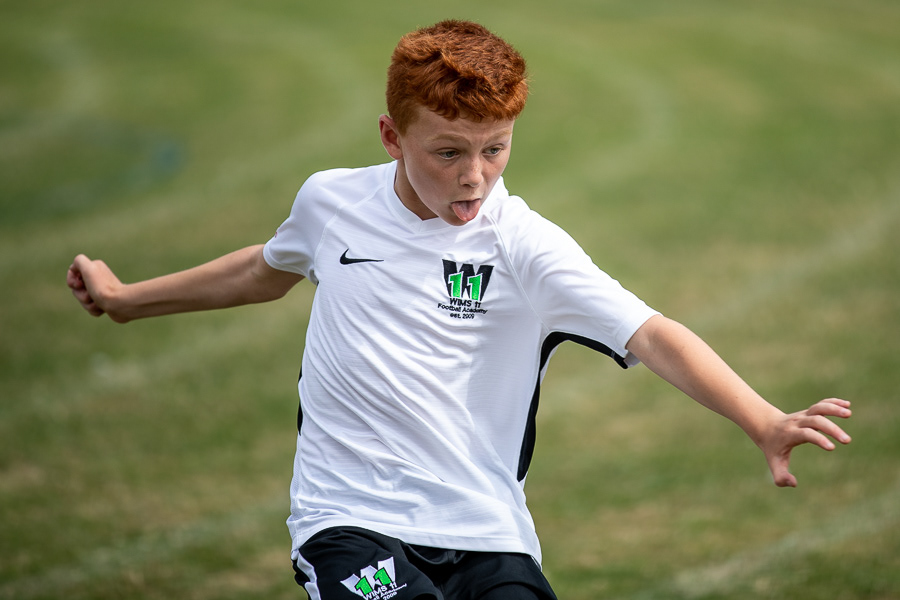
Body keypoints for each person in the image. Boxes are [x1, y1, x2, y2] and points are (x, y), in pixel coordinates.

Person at [67, 19, 852, 600]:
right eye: (448, 151)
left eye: (495, 147)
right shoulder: (331, 204)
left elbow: (650, 333)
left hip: (487, 529)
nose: (474, 175)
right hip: (350, 518)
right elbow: (263, 270)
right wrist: (127, 301)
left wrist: (760, 418)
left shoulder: (525, 245)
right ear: (391, 136)